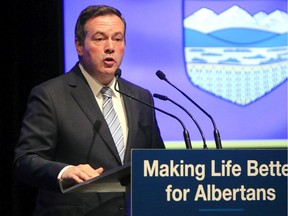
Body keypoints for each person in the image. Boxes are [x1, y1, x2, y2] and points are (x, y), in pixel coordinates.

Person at [14, 5, 165, 216]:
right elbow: (26, 160)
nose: (110, 47)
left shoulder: (140, 97)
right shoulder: (50, 95)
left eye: (118, 38)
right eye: (100, 39)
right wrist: (65, 171)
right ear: (78, 45)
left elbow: (158, 161)